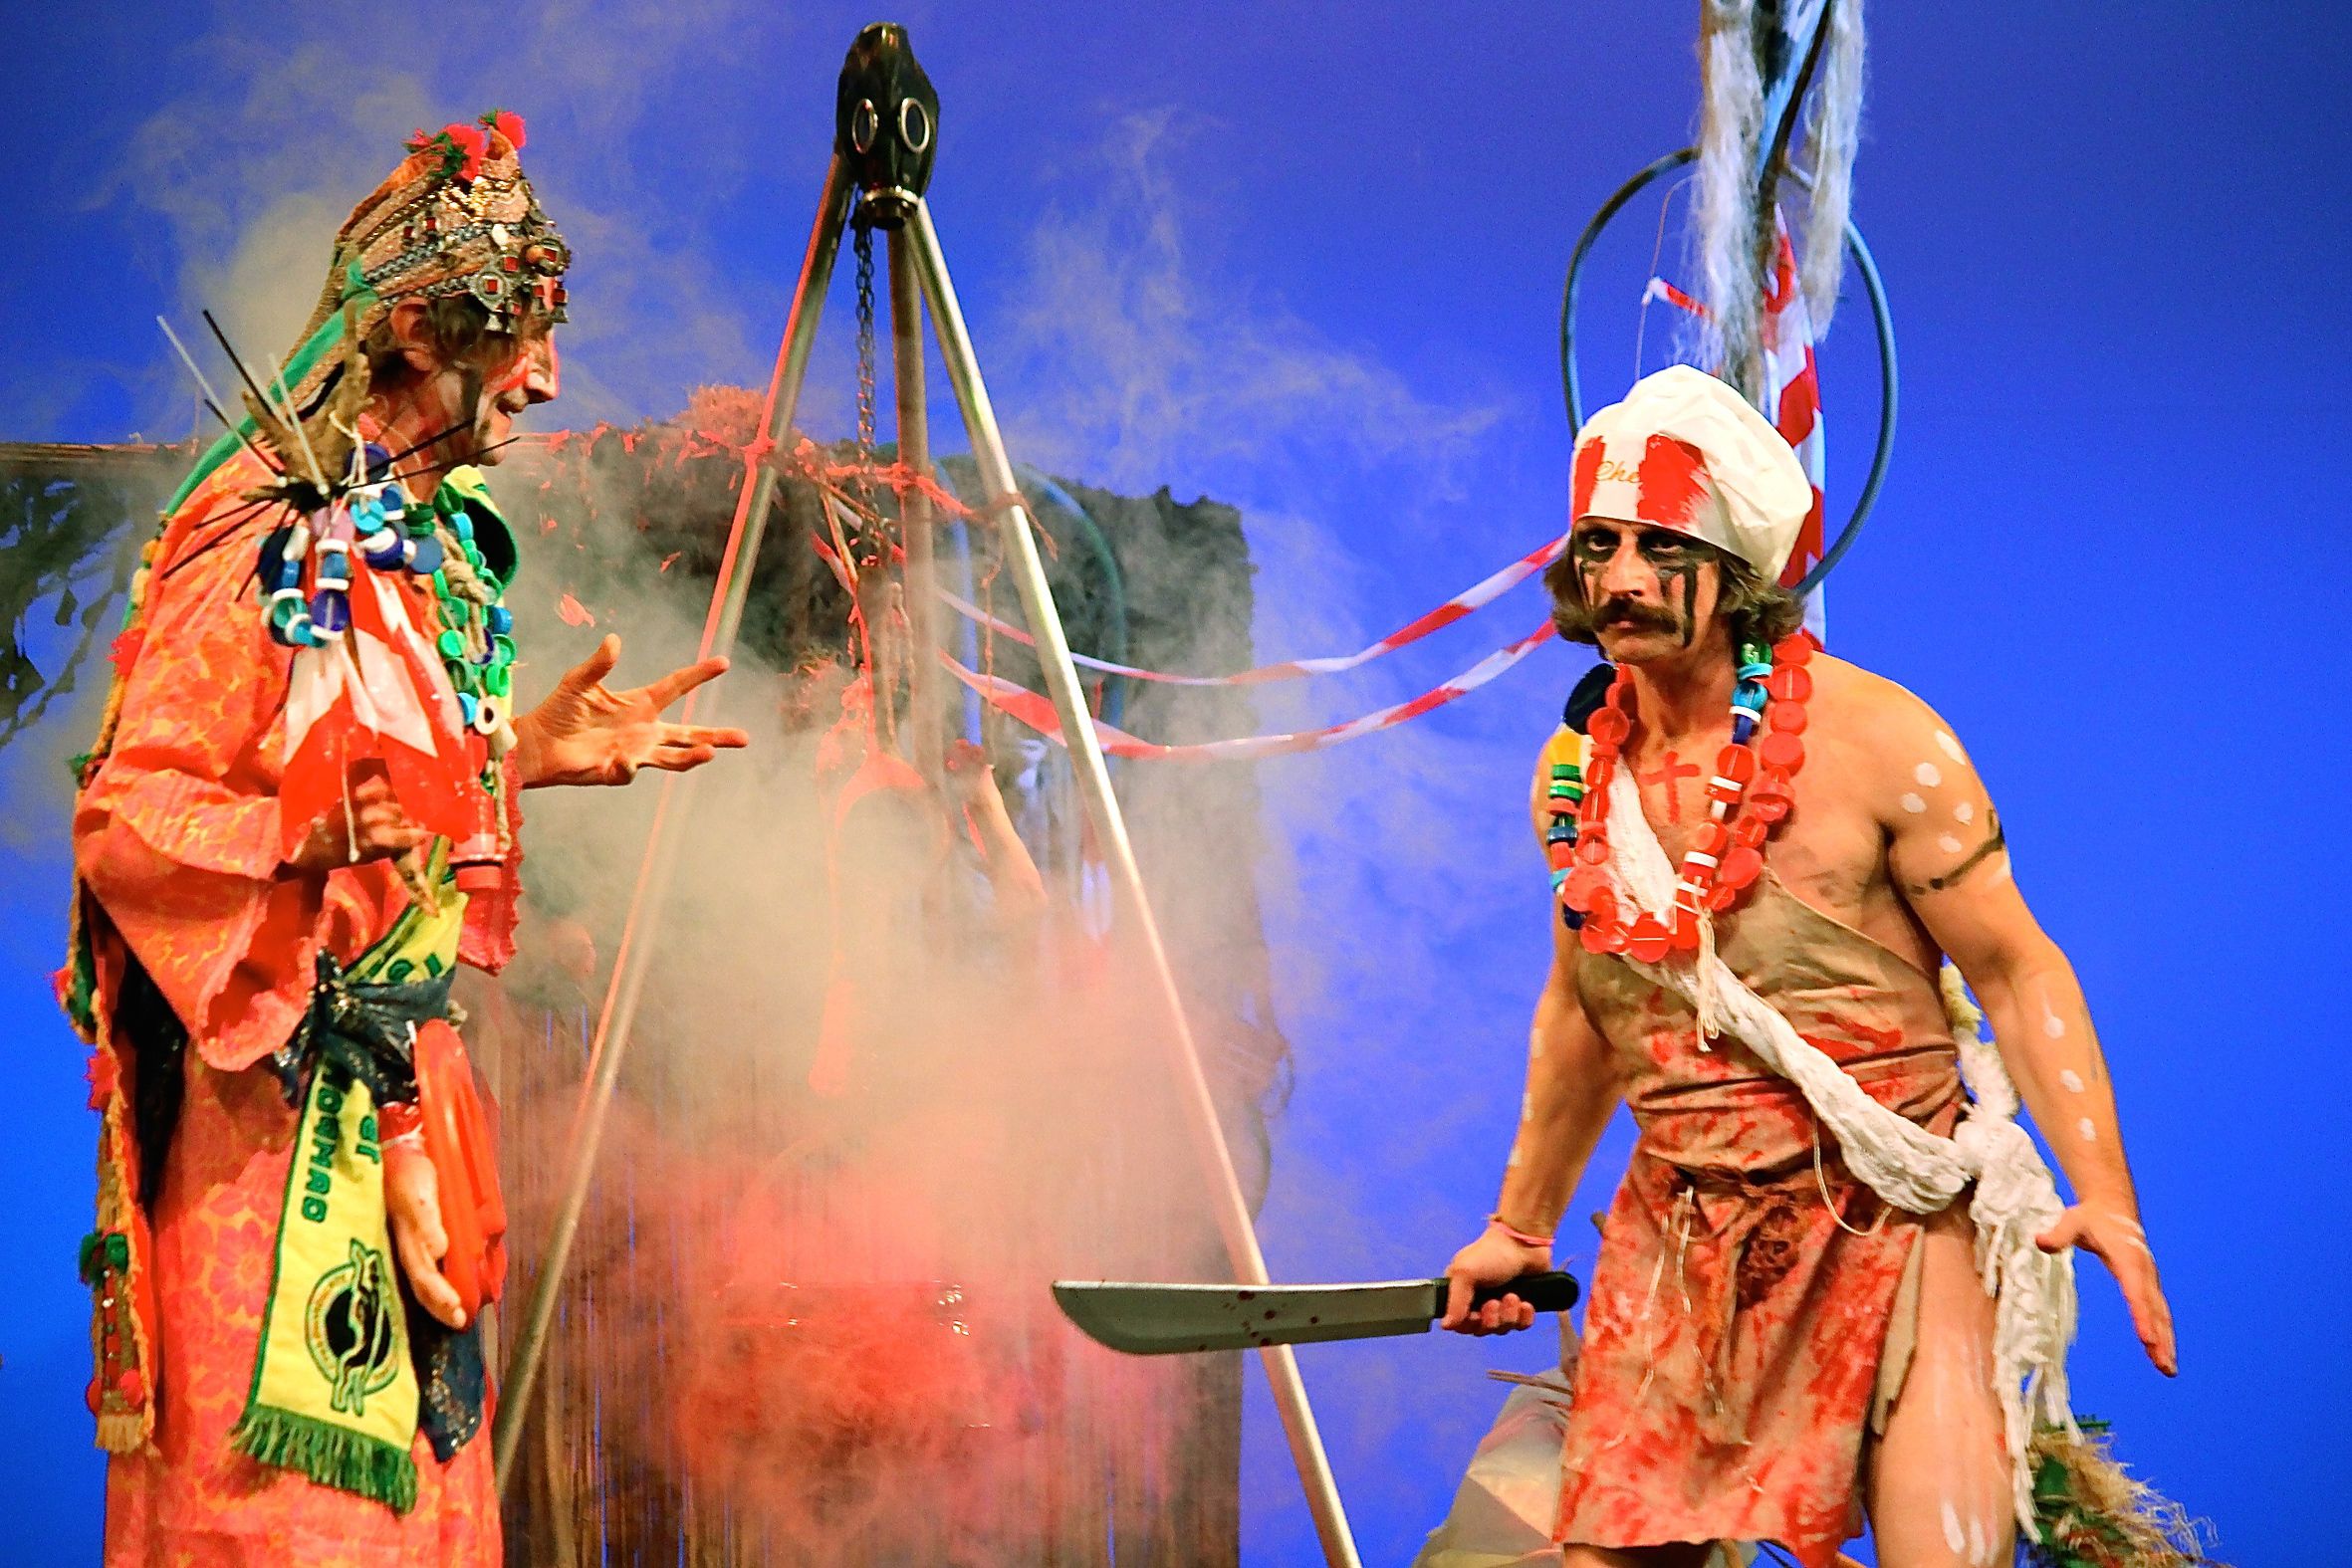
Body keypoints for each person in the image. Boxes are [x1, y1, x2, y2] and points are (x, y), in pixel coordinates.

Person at [61, 113, 749, 1565]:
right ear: (421, 332)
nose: (545, 377)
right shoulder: (264, 532)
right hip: (277, 1144)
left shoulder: (417, 538)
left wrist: (521, 760)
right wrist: (295, 827)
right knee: (297, 1527)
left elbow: (392, 813)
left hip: (406, 1106)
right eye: (518, 336)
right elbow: (128, 820)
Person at [1436, 365, 2176, 1568]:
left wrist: (2106, 1197)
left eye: (1660, 546)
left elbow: (2016, 970)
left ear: (1734, 573)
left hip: (1889, 1218)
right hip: (1679, 1238)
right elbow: (1586, 1005)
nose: (1620, 577)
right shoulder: (1574, 776)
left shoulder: (1880, 740)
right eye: (1600, 544)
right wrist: (1519, 1229)